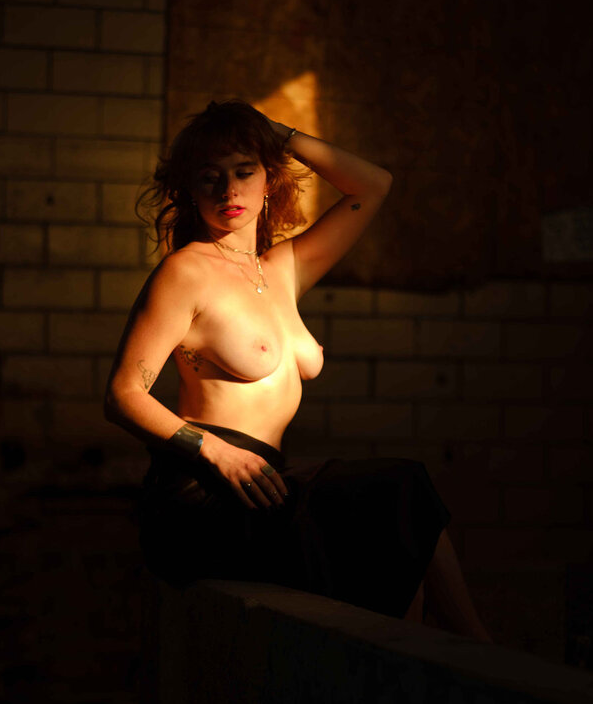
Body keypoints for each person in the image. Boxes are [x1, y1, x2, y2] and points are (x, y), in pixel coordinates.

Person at [104, 100, 490, 641]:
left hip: (265, 483)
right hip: (205, 491)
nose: (228, 190)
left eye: (244, 171)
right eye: (210, 177)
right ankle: (473, 648)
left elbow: (373, 184)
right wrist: (213, 450)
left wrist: (275, 133)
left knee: (395, 516)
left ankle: (457, 649)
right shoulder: (184, 272)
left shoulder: (282, 269)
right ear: (189, 189)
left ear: (269, 182)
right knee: (398, 490)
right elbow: (123, 393)